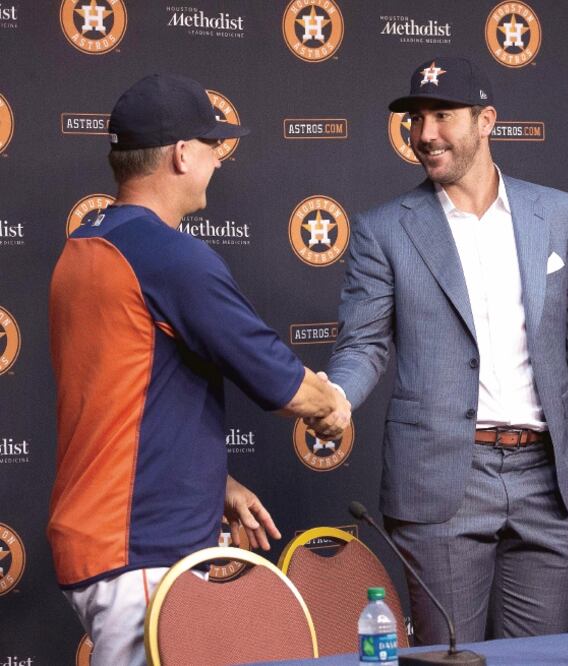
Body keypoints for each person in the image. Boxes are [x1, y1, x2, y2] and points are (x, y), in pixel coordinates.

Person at [320, 57, 568, 643]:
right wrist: (335, 396)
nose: (425, 134)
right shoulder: (384, 229)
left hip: (547, 480)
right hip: (442, 480)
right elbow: (363, 344)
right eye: (416, 118)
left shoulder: (557, 213)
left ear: (486, 119)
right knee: (451, 658)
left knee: (539, 659)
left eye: (443, 116)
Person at [47, 73, 350, 665]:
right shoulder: (167, 254)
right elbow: (284, 385)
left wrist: (217, 485)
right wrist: (332, 406)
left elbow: (125, 397)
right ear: (181, 155)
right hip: (141, 549)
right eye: (212, 144)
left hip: (103, 539)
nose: (218, 158)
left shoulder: (84, 246)